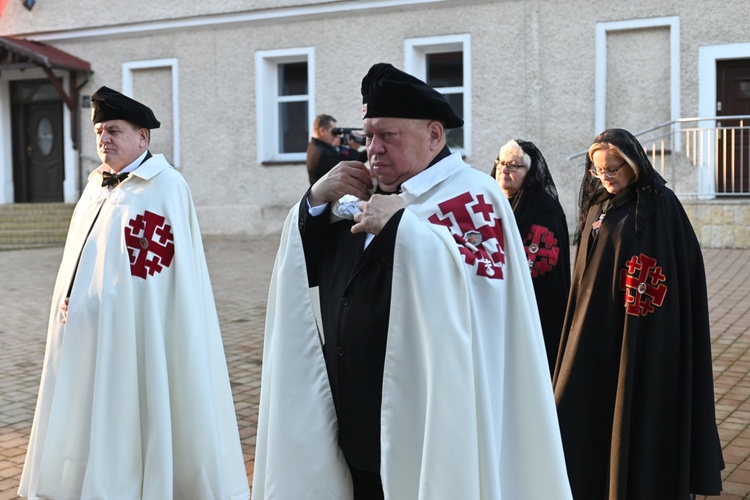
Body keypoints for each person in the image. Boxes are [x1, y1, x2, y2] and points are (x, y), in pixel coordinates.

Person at [252, 63, 572, 499]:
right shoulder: (360, 195)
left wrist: (402, 227)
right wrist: (312, 203)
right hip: (352, 430)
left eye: (389, 136)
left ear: (435, 136)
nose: (373, 151)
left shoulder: (474, 197)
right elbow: (309, 269)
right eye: (368, 137)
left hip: (423, 426)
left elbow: (478, 301)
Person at [18, 86, 250, 500]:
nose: (103, 139)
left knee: (139, 408)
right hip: (88, 333)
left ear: (143, 137)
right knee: (88, 412)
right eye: (100, 132)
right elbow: (84, 254)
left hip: (142, 334)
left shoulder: (166, 188)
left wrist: (125, 309)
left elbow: (161, 275)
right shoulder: (96, 188)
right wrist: (70, 296)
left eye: (114, 131)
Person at [553, 128, 725, 499]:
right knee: (575, 402)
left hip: (643, 332)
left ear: (633, 164)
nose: (606, 177)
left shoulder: (661, 206)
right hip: (594, 329)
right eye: (599, 171)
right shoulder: (599, 205)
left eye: (613, 168)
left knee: (638, 406)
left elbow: (678, 272)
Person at [491, 139, 570, 375]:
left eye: (514, 165)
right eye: (502, 163)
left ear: (531, 173)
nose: (504, 170)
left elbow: (549, 274)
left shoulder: (546, 212)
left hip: (535, 311)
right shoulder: (487, 203)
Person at [306, 113, 367, 184]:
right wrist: (353, 149)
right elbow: (347, 171)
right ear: (322, 131)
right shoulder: (322, 153)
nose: (337, 135)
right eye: (334, 131)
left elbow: (357, 159)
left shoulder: (316, 146)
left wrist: (370, 149)